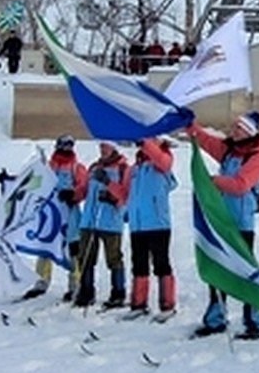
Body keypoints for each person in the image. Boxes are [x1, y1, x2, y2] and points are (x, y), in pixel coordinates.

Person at [187, 111, 259, 338]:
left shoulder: (256, 158)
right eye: (234, 127)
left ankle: (255, 320)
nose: (234, 131)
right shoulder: (230, 151)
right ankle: (216, 318)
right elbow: (205, 140)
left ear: (250, 132)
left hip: (242, 224)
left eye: (239, 128)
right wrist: (189, 125)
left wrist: (213, 181)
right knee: (218, 268)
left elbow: (241, 185)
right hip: (223, 221)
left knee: (244, 271)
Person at [24, 135, 88, 301]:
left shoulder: (76, 168)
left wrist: (73, 194)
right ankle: (41, 281)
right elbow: (34, 184)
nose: (67, 149)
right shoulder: (49, 167)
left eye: (70, 146)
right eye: (64, 146)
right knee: (45, 247)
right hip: (50, 216)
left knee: (73, 250)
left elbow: (83, 187)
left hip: (70, 216)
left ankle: (75, 284)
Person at [75, 141, 131, 309]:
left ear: (114, 148)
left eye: (106, 147)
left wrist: (110, 192)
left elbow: (125, 195)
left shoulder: (123, 169)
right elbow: (84, 190)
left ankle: (118, 292)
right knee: (85, 257)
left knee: (113, 258)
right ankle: (86, 291)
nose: (103, 150)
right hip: (90, 220)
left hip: (110, 222)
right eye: (101, 147)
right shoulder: (93, 168)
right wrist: (72, 195)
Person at [126, 136, 178, 316]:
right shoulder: (134, 169)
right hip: (137, 225)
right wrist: (108, 186)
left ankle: (167, 304)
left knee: (161, 263)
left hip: (157, 223)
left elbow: (162, 161)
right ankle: (139, 304)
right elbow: (126, 194)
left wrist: (146, 143)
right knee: (139, 264)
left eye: (153, 140)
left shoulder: (163, 162)